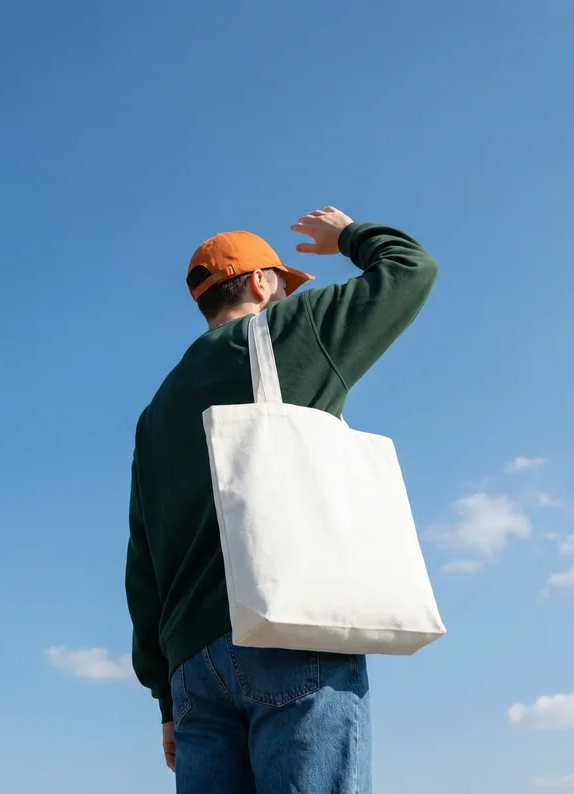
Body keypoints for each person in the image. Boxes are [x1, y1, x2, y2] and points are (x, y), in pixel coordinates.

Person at [125, 206, 439, 794]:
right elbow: (411, 269)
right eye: (280, 284)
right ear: (263, 282)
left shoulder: (154, 414)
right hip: (288, 630)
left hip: (193, 669)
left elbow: (141, 566)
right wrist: (346, 234)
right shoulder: (287, 332)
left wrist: (165, 696)